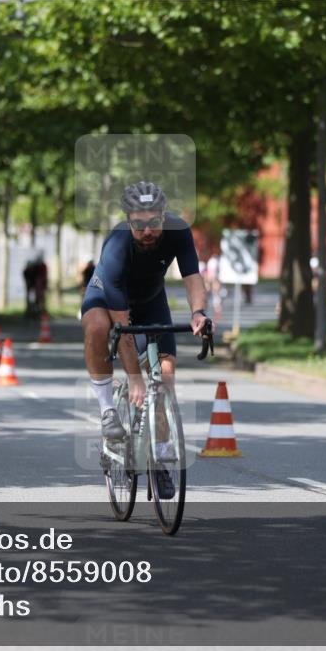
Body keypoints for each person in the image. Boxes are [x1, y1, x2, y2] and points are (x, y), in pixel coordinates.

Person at [81, 181, 212, 458]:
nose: (148, 230)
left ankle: (161, 451)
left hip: (151, 300)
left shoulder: (179, 232)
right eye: (139, 225)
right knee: (97, 327)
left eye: (154, 222)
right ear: (128, 222)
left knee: (166, 375)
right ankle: (107, 410)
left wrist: (198, 312)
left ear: (164, 216)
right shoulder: (117, 245)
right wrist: (134, 377)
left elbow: (193, 279)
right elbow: (121, 326)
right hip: (108, 299)